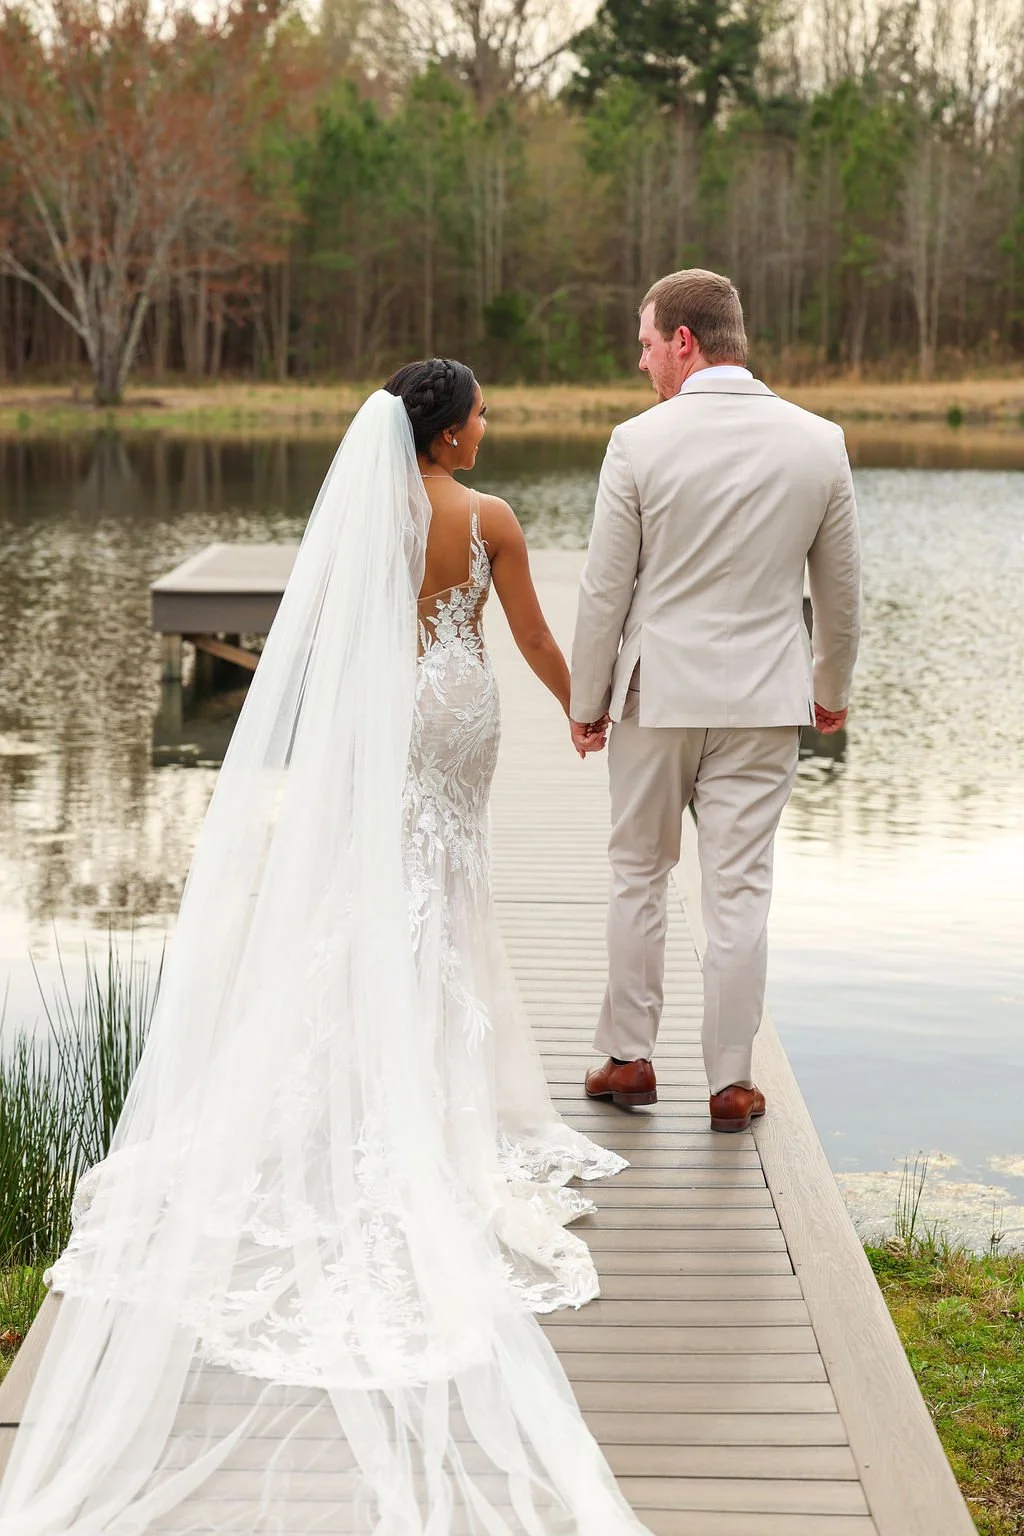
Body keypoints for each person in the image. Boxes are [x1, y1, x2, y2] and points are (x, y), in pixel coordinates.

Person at [0, 368, 648, 1535]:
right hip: (458, 714)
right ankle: (432, 1081)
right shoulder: (486, 517)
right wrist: (581, 707)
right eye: (483, 414)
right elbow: (539, 638)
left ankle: (357, 1048)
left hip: (386, 713)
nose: (488, 427)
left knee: (383, 880)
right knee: (449, 882)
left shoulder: (361, 511)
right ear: (451, 431)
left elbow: (325, 643)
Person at [570, 269, 861, 1133]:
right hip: (767, 700)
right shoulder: (820, 441)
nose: (642, 361)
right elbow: (839, 593)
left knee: (638, 874)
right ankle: (732, 1082)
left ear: (685, 342)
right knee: (739, 890)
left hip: (657, 695)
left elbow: (602, 592)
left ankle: (628, 1060)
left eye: (647, 343)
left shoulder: (638, 443)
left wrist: (588, 702)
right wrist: (830, 689)